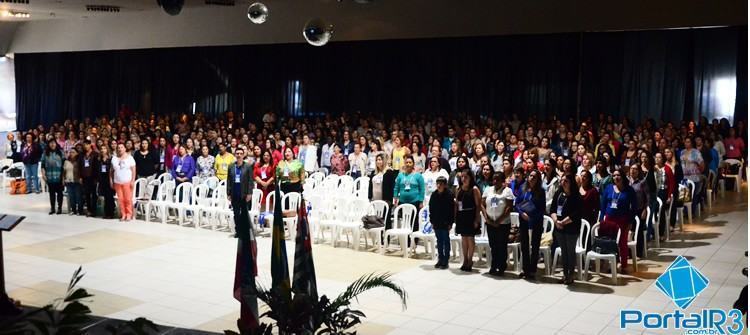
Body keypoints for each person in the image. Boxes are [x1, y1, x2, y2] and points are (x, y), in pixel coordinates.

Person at [599, 168, 637, 273]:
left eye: (618, 175)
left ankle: (624, 265)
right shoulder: (608, 188)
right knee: (608, 242)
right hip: (609, 219)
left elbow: (634, 207)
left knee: (622, 243)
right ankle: (609, 264)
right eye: (614, 175)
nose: (616, 177)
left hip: (622, 220)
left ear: (623, 177)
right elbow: (603, 205)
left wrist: (630, 222)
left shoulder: (629, 190)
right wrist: (601, 219)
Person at [481, 172, 514, 276]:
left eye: (498, 179)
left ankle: (501, 266)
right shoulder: (488, 189)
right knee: (493, 245)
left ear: (502, 181)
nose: (495, 181)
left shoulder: (507, 191)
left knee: (501, 245)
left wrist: (498, 221)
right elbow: (482, 204)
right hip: (490, 222)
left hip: (503, 223)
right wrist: (487, 219)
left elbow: (509, 207)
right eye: (494, 179)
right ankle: (494, 265)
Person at [551, 173, 582, 284]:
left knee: (570, 252)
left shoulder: (576, 196)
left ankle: (571, 275)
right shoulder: (558, 193)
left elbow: (577, 213)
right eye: (562, 180)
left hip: (571, 228)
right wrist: (556, 221)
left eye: (566, 181)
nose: (563, 182)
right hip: (559, 226)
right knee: (564, 252)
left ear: (571, 183)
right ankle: (565, 274)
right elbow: (553, 209)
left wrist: (564, 222)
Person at [515, 169, 546, 280]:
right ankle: (525, 269)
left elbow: (542, 208)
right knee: (524, 245)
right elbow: (517, 204)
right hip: (524, 220)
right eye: (530, 176)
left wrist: (532, 217)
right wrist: (522, 213)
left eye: (534, 177)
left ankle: (532, 270)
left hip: (536, 221)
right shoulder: (523, 188)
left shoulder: (541, 191)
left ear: (538, 179)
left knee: (535, 246)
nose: (531, 178)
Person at [393, 156, 425, 244]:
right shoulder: (400, 175)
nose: (408, 164)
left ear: (413, 164)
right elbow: (396, 187)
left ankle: (414, 240)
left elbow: (422, 189)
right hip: (402, 202)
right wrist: (395, 197)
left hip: (415, 201)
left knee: (414, 221)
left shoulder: (418, 176)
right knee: (405, 220)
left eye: (410, 162)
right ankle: (406, 240)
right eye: (406, 162)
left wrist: (421, 201)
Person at [455, 168, 481, 272]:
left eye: (466, 177)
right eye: (462, 177)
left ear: (471, 178)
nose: (464, 179)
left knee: (470, 239)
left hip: (471, 216)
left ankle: (470, 260)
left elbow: (478, 206)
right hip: (462, 216)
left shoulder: (474, 189)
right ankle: (465, 259)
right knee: (463, 239)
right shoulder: (459, 189)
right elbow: (457, 203)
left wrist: (476, 219)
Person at [227, 147, 255, 238]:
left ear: (243, 155)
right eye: (237, 153)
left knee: (244, 214)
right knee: (236, 214)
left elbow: (251, 181)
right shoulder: (231, 166)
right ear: (235, 155)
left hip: (244, 194)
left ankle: (245, 231)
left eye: (240, 153)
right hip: (234, 193)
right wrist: (228, 193)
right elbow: (228, 180)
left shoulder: (248, 166)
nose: (239, 155)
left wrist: (250, 193)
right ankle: (238, 231)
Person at [428, 176, 455, 269]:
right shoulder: (434, 195)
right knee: (439, 241)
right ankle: (440, 258)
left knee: (445, 241)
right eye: (438, 184)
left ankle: (446, 260)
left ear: (445, 185)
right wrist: (432, 221)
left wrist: (450, 223)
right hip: (437, 221)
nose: (439, 186)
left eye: (441, 184)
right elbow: (431, 209)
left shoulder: (449, 195)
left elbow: (452, 210)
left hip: (445, 222)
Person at [111, 143, 136, 221]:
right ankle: (123, 214)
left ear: (125, 148)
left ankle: (129, 214)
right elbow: (111, 171)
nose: (120, 149)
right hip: (117, 182)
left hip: (127, 181)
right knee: (120, 199)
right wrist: (111, 181)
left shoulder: (130, 158)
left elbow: (133, 170)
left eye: (122, 147)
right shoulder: (114, 158)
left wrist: (132, 180)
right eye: (118, 147)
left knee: (128, 199)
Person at [41, 139, 65, 215]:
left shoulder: (61, 152)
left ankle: (59, 208)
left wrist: (63, 177)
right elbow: (42, 165)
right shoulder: (45, 153)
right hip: (49, 177)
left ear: (56, 144)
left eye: (53, 143)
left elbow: (64, 165)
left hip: (59, 177)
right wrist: (43, 175)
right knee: (51, 194)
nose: (52, 144)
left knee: (59, 193)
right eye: (50, 143)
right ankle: (52, 208)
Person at [654, 152, 674, 242]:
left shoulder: (667, 169)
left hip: (663, 192)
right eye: (656, 157)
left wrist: (669, 196)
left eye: (659, 157)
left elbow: (671, 183)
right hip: (655, 192)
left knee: (661, 213)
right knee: (654, 213)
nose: (657, 159)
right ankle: (653, 233)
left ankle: (661, 233)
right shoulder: (653, 168)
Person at [79, 140, 100, 216]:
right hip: (85, 177)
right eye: (84, 145)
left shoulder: (95, 154)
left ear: (90, 145)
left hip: (93, 177)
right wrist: (80, 176)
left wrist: (96, 178)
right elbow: (80, 166)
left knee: (94, 194)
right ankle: (89, 210)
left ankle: (94, 210)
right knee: (87, 194)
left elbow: (97, 167)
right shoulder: (81, 154)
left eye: (87, 145)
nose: (85, 146)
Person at [98, 145, 115, 219]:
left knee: (110, 197)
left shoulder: (111, 159)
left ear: (107, 150)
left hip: (109, 179)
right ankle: (106, 212)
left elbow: (113, 170)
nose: (102, 150)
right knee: (105, 197)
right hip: (102, 179)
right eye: (101, 148)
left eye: (104, 148)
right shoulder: (99, 159)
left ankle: (111, 213)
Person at [63, 149, 82, 215]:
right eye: (70, 152)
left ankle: (79, 210)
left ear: (77, 153)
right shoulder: (66, 161)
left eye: (73, 152)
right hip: (68, 181)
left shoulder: (79, 161)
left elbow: (81, 170)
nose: (71, 153)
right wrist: (63, 179)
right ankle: (73, 210)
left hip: (77, 181)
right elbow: (64, 171)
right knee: (71, 197)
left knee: (78, 197)